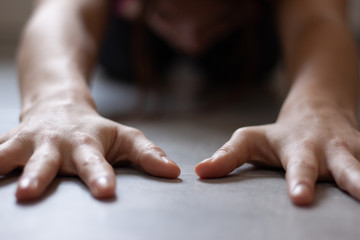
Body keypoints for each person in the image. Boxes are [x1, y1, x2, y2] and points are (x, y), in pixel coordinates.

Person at [0, 0, 359, 206]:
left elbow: (319, 20)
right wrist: (56, 101)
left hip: (248, 34)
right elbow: (60, 15)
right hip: (130, 25)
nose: (191, 39)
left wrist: (320, 106)